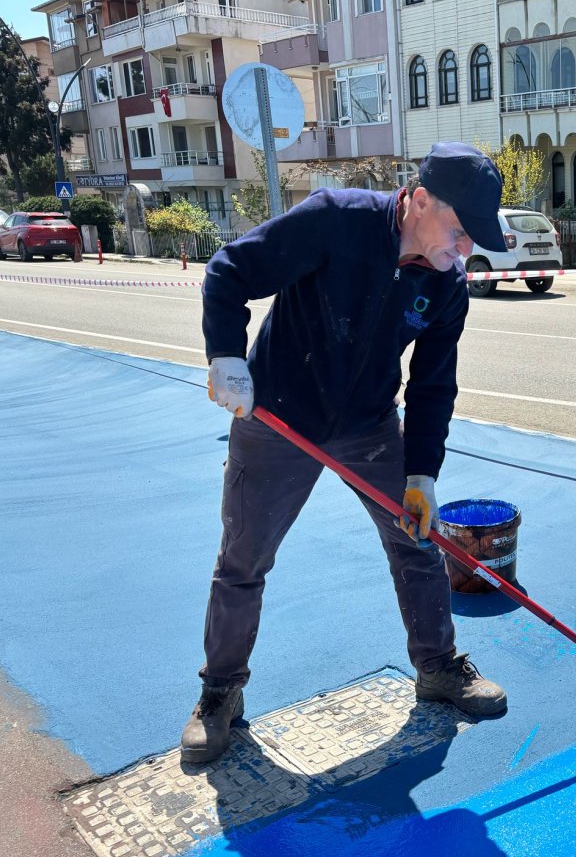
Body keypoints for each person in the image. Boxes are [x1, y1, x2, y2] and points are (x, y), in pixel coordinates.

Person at [182, 142, 510, 764]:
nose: (465, 249)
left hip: (368, 425)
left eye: (474, 238)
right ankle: (221, 691)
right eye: (460, 231)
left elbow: (434, 384)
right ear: (417, 201)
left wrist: (421, 474)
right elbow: (229, 271)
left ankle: (438, 666)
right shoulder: (335, 219)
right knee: (243, 559)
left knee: (416, 540)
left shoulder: (447, 287)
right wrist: (224, 353)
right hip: (278, 414)